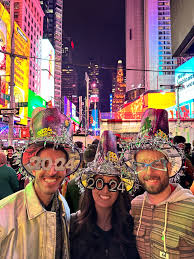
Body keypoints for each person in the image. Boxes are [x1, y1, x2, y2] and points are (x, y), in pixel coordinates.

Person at [0, 107, 81, 259]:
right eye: (43, 163)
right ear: (33, 166)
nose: (51, 172)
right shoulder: (5, 213)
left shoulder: (64, 207)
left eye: (59, 164)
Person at [124, 108, 194, 259]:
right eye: (142, 165)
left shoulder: (191, 208)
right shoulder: (135, 206)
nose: (149, 173)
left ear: (169, 167)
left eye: (157, 164)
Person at [70, 130, 139, 259]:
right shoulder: (73, 225)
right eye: (99, 182)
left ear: (120, 189)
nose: (105, 190)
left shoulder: (131, 226)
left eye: (112, 184)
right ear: (90, 186)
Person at [65, 143, 98, 213]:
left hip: (76, 221)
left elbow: (67, 211)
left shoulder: (72, 183)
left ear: (83, 160)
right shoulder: (103, 185)